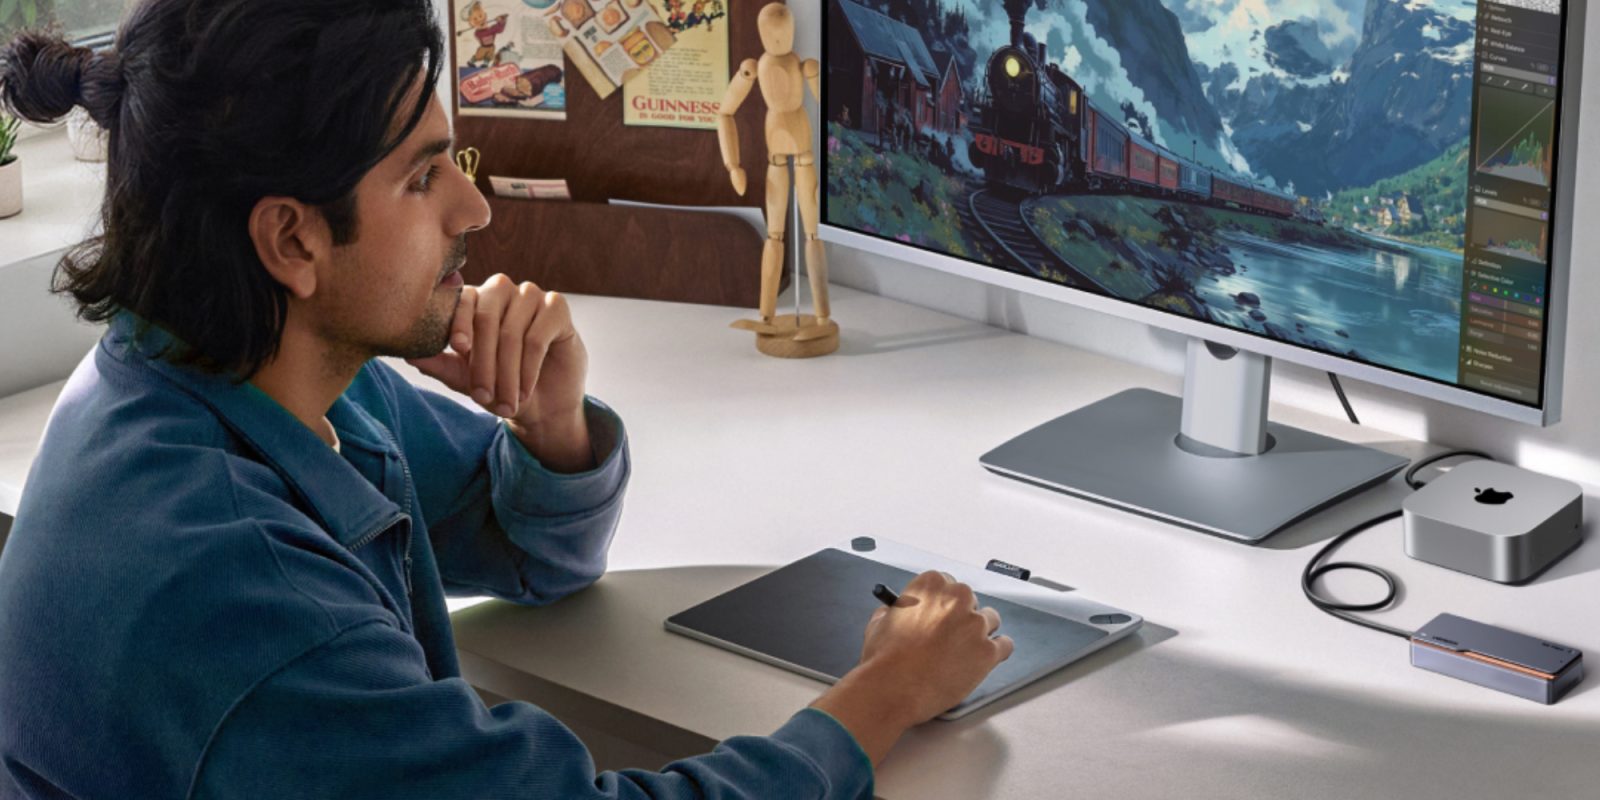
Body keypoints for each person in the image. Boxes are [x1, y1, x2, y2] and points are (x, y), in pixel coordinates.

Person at [0, 1, 1013, 797]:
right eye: (422, 178)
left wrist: (552, 428)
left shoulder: (234, 373)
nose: (474, 207)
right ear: (292, 240)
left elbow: (530, 555)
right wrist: (885, 691)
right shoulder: (246, 596)